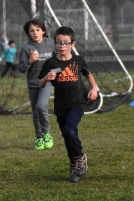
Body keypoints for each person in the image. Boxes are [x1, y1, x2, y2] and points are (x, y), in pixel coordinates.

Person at [38, 27, 98, 183]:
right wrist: (46, 78)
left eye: (66, 43)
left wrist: (94, 88)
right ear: (55, 43)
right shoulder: (51, 62)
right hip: (61, 106)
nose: (62, 46)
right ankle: (74, 164)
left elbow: (88, 74)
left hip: (78, 103)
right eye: (59, 43)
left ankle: (79, 157)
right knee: (67, 135)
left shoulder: (78, 60)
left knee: (70, 130)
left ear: (73, 43)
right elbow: (40, 84)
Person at [18, 19, 55, 151]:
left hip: (47, 81)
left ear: (43, 31)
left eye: (37, 30)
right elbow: (22, 68)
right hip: (33, 83)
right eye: (32, 31)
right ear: (28, 33)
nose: (35, 33)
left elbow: (58, 61)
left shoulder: (51, 44)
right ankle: (39, 137)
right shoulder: (27, 48)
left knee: (41, 106)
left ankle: (46, 133)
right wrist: (30, 61)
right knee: (35, 112)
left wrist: (54, 74)